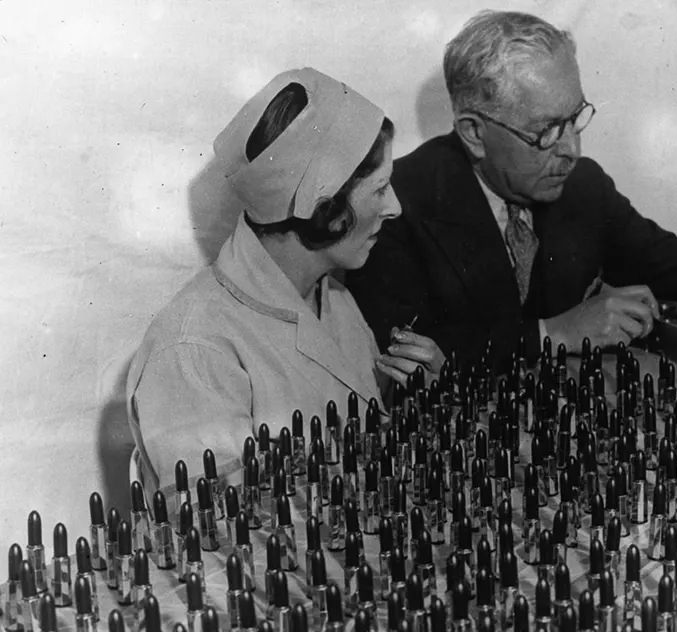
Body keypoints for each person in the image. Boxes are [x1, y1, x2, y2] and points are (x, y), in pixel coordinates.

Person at [347, 10, 677, 367]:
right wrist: (554, 335)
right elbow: (398, 350)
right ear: (474, 134)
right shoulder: (399, 204)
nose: (571, 147)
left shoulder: (582, 185)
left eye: (575, 118)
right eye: (547, 130)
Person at [126, 68, 442, 490]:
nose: (396, 208)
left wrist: (422, 399)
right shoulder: (196, 349)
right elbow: (221, 534)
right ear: (324, 206)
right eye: (380, 188)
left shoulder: (334, 299)